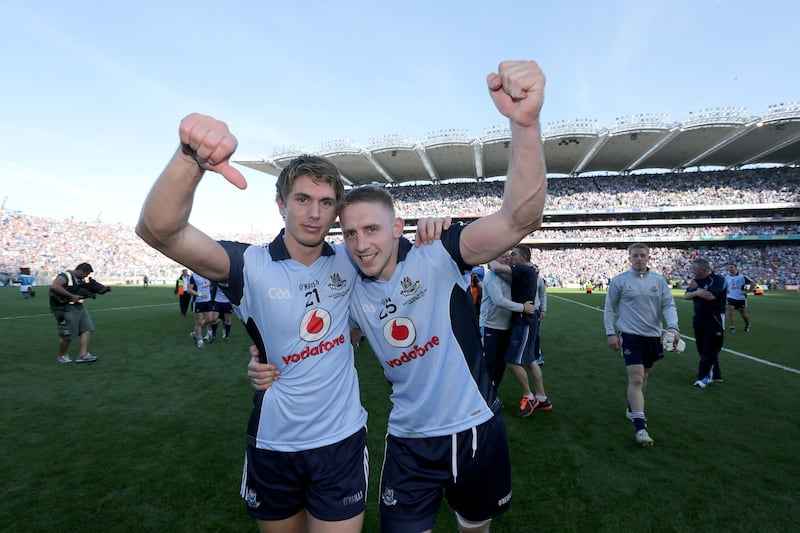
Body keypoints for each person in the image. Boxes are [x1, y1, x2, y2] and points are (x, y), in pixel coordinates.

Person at [250, 59, 548, 533]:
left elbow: (519, 219)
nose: (361, 243)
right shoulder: (345, 284)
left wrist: (525, 125)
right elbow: (306, 335)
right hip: (408, 443)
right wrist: (264, 362)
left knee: (476, 529)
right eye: (349, 233)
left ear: (398, 227)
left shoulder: (439, 254)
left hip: (475, 426)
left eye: (372, 229)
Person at [604, 243, 680, 447]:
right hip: (630, 336)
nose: (639, 258)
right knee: (636, 378)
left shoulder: (659, 280)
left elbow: (668, 305)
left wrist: (673, 327)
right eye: (635, 255)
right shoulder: (620, 281)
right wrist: (611, 333)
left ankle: (632, 408)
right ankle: (640, 428)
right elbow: (609, 309)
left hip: (653, 337)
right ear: (629, 258)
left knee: (644, 376)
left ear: (648, 257)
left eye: (642, 255)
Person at [490, 244, 552, 417]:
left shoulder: (524, 269)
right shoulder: (528, 270)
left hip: (523, 320)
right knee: (530, 359)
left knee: (511, 361)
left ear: (524, 257)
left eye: (514, 254)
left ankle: (528, 396)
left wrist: (487, 254)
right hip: (527, 319)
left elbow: (495, 266)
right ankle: (542, 398)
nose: (511, 257)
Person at [479, 253, 534, 391]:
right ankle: (484, 395)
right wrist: (523, 307)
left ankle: (493, 392)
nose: (508, 258)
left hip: (506, 326)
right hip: (490, 326)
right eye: (503, 257)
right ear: (495, 259)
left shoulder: (509, 275)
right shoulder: (491, 277)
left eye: (509, 256)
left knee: (500, 364)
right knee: (489, 363)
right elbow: (499, 301)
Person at [684, 257, 728, 388]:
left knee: (710, 349)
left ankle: (703, 378)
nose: (692, 270)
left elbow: (711, 296)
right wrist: (697, 292)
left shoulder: (718, 279)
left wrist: (695, 292)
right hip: (699, 317)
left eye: (694, 268)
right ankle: (716, 375)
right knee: (702, 348)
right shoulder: (695, 281)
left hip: (714, 318)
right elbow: (686, 296)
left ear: (702, 269)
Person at [49, 262, 100, 364]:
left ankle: (82, 355)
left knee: (87, 329)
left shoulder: (79, 279)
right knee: (67, 335)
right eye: (86, 273)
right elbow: (55, 286)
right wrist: (71, 296)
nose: (87, 276)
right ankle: (61, 356)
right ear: (80, 270)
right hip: (64, 308)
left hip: (78, 307)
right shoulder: (65, 276)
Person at [188, 272, 215, 348]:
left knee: (209, 319)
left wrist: (209, 292)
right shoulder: (193, 276)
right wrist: (200, 294)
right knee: (198, 322)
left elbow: (211, 286)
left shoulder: (207, 273)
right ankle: (200, 341)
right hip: (198, 302)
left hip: (208, 301)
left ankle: (195, 333)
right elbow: (189, 290)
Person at [725, 263, 754, 333]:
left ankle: (747, 323)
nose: (730, 269)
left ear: (735, 268)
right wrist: (726, 290)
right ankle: (732, 328)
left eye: (731, 267)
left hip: (741, 297)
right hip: (730, 297)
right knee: (730, 311)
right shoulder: (726, 277)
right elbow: (724, 285)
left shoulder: (742, 277)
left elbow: (753, 284)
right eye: (729, 268)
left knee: (743, 314)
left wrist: (747, 292)